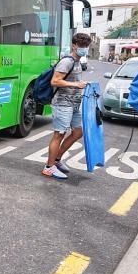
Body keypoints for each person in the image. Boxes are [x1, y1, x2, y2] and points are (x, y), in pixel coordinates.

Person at [43, 33, 92, 179]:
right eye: (81, 46)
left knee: (78, 133)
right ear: (74, 45)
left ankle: (56, 160)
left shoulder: (78, 62)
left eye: (86, 46)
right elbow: (55, 81)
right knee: (59, 134)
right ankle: (49, 167)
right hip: (62, 103)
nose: (84, 49)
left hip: (74, 104)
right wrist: (76, 84)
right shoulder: (67, 61)